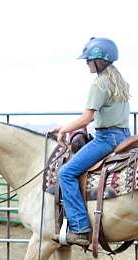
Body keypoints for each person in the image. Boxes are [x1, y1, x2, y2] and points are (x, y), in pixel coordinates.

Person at [50, 37, 131, 246]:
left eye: (89, 60)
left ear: (99, 61)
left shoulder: (100, 82)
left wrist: (64, 129)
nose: (87, 64)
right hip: (124, 135)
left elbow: (87, 117)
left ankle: (80, 227)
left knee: (65, 173)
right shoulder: (117, 80)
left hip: (107, 138)